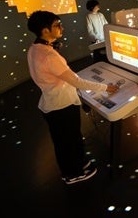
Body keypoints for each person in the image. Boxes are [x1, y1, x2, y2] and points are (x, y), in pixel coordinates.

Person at [27, 10, 119, 185]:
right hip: (61, 106)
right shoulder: (49, 55)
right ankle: (72, 174)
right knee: (68, 142)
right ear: (45, 30)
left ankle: (79, 163)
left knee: (68, 139)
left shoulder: (35, 48)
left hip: (51, 103)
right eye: (57, 25)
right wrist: (106, 87)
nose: (61, 28)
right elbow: (76, 81)